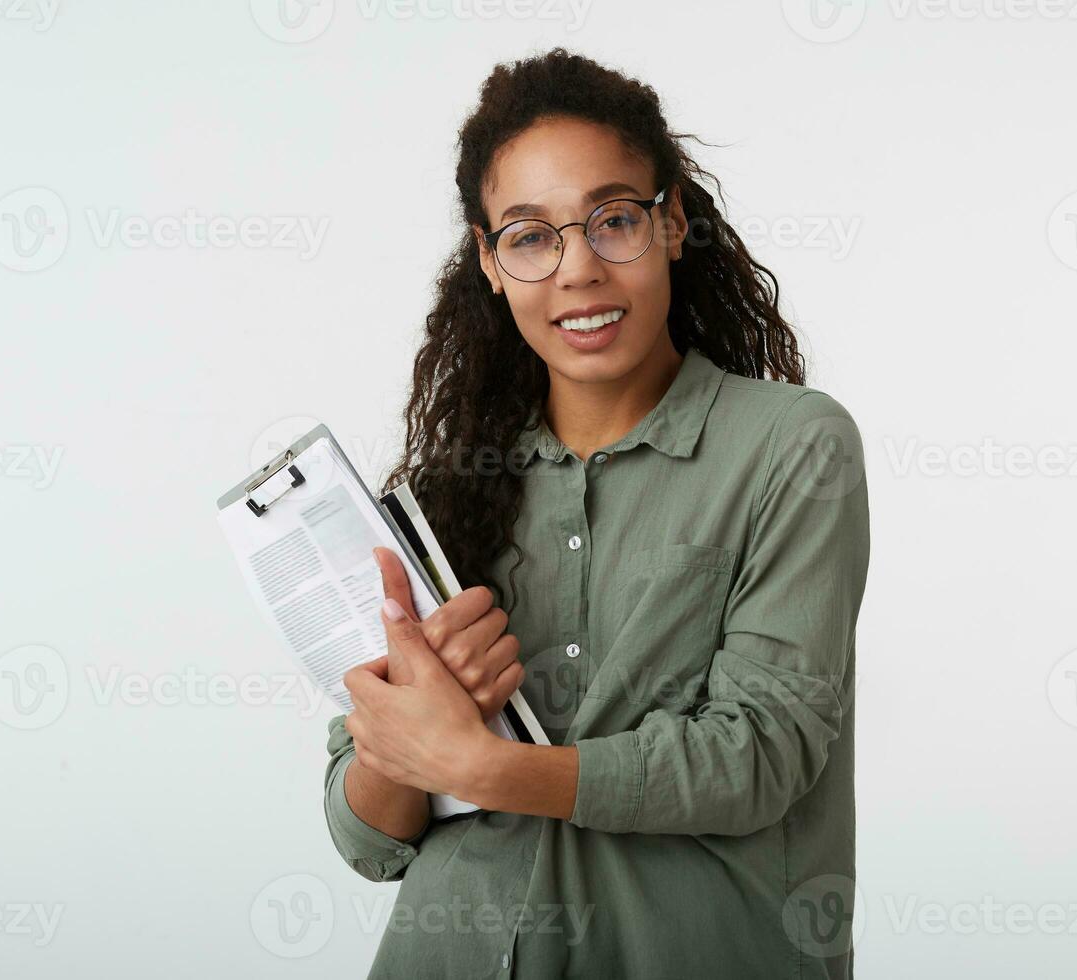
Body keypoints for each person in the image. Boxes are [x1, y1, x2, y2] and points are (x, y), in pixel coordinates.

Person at [324, 47, 870, 979]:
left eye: (613, 219)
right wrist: (410, 735)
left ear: (674, 224)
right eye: (531, 235)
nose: (577, 269)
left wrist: (486, 768)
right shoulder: (448, 484)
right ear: (491, 263)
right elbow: (366, 836)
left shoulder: (792, 447)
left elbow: (761, 755)